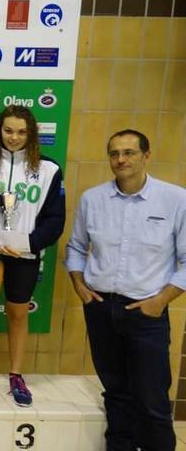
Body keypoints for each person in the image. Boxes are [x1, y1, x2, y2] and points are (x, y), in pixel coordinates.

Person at [66, 129, 186, 450]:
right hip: (102, 310)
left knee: (151, 400)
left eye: (129, 153)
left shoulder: (176, 199)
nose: (121, 160)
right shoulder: (93, 199)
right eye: (114, 153)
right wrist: (79, 285)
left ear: (146, 156)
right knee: (116, 394)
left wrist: (161, 301)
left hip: (147, 313)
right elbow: (76, 247)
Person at [0, 105, 65, 407]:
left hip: (24, 254)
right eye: (8, 131)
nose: (14, 137)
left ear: (31, 133)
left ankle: (16, 375)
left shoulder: (49, 170)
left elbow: (55, 220)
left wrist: (27, 243)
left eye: (21, 132)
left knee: (19, 314)